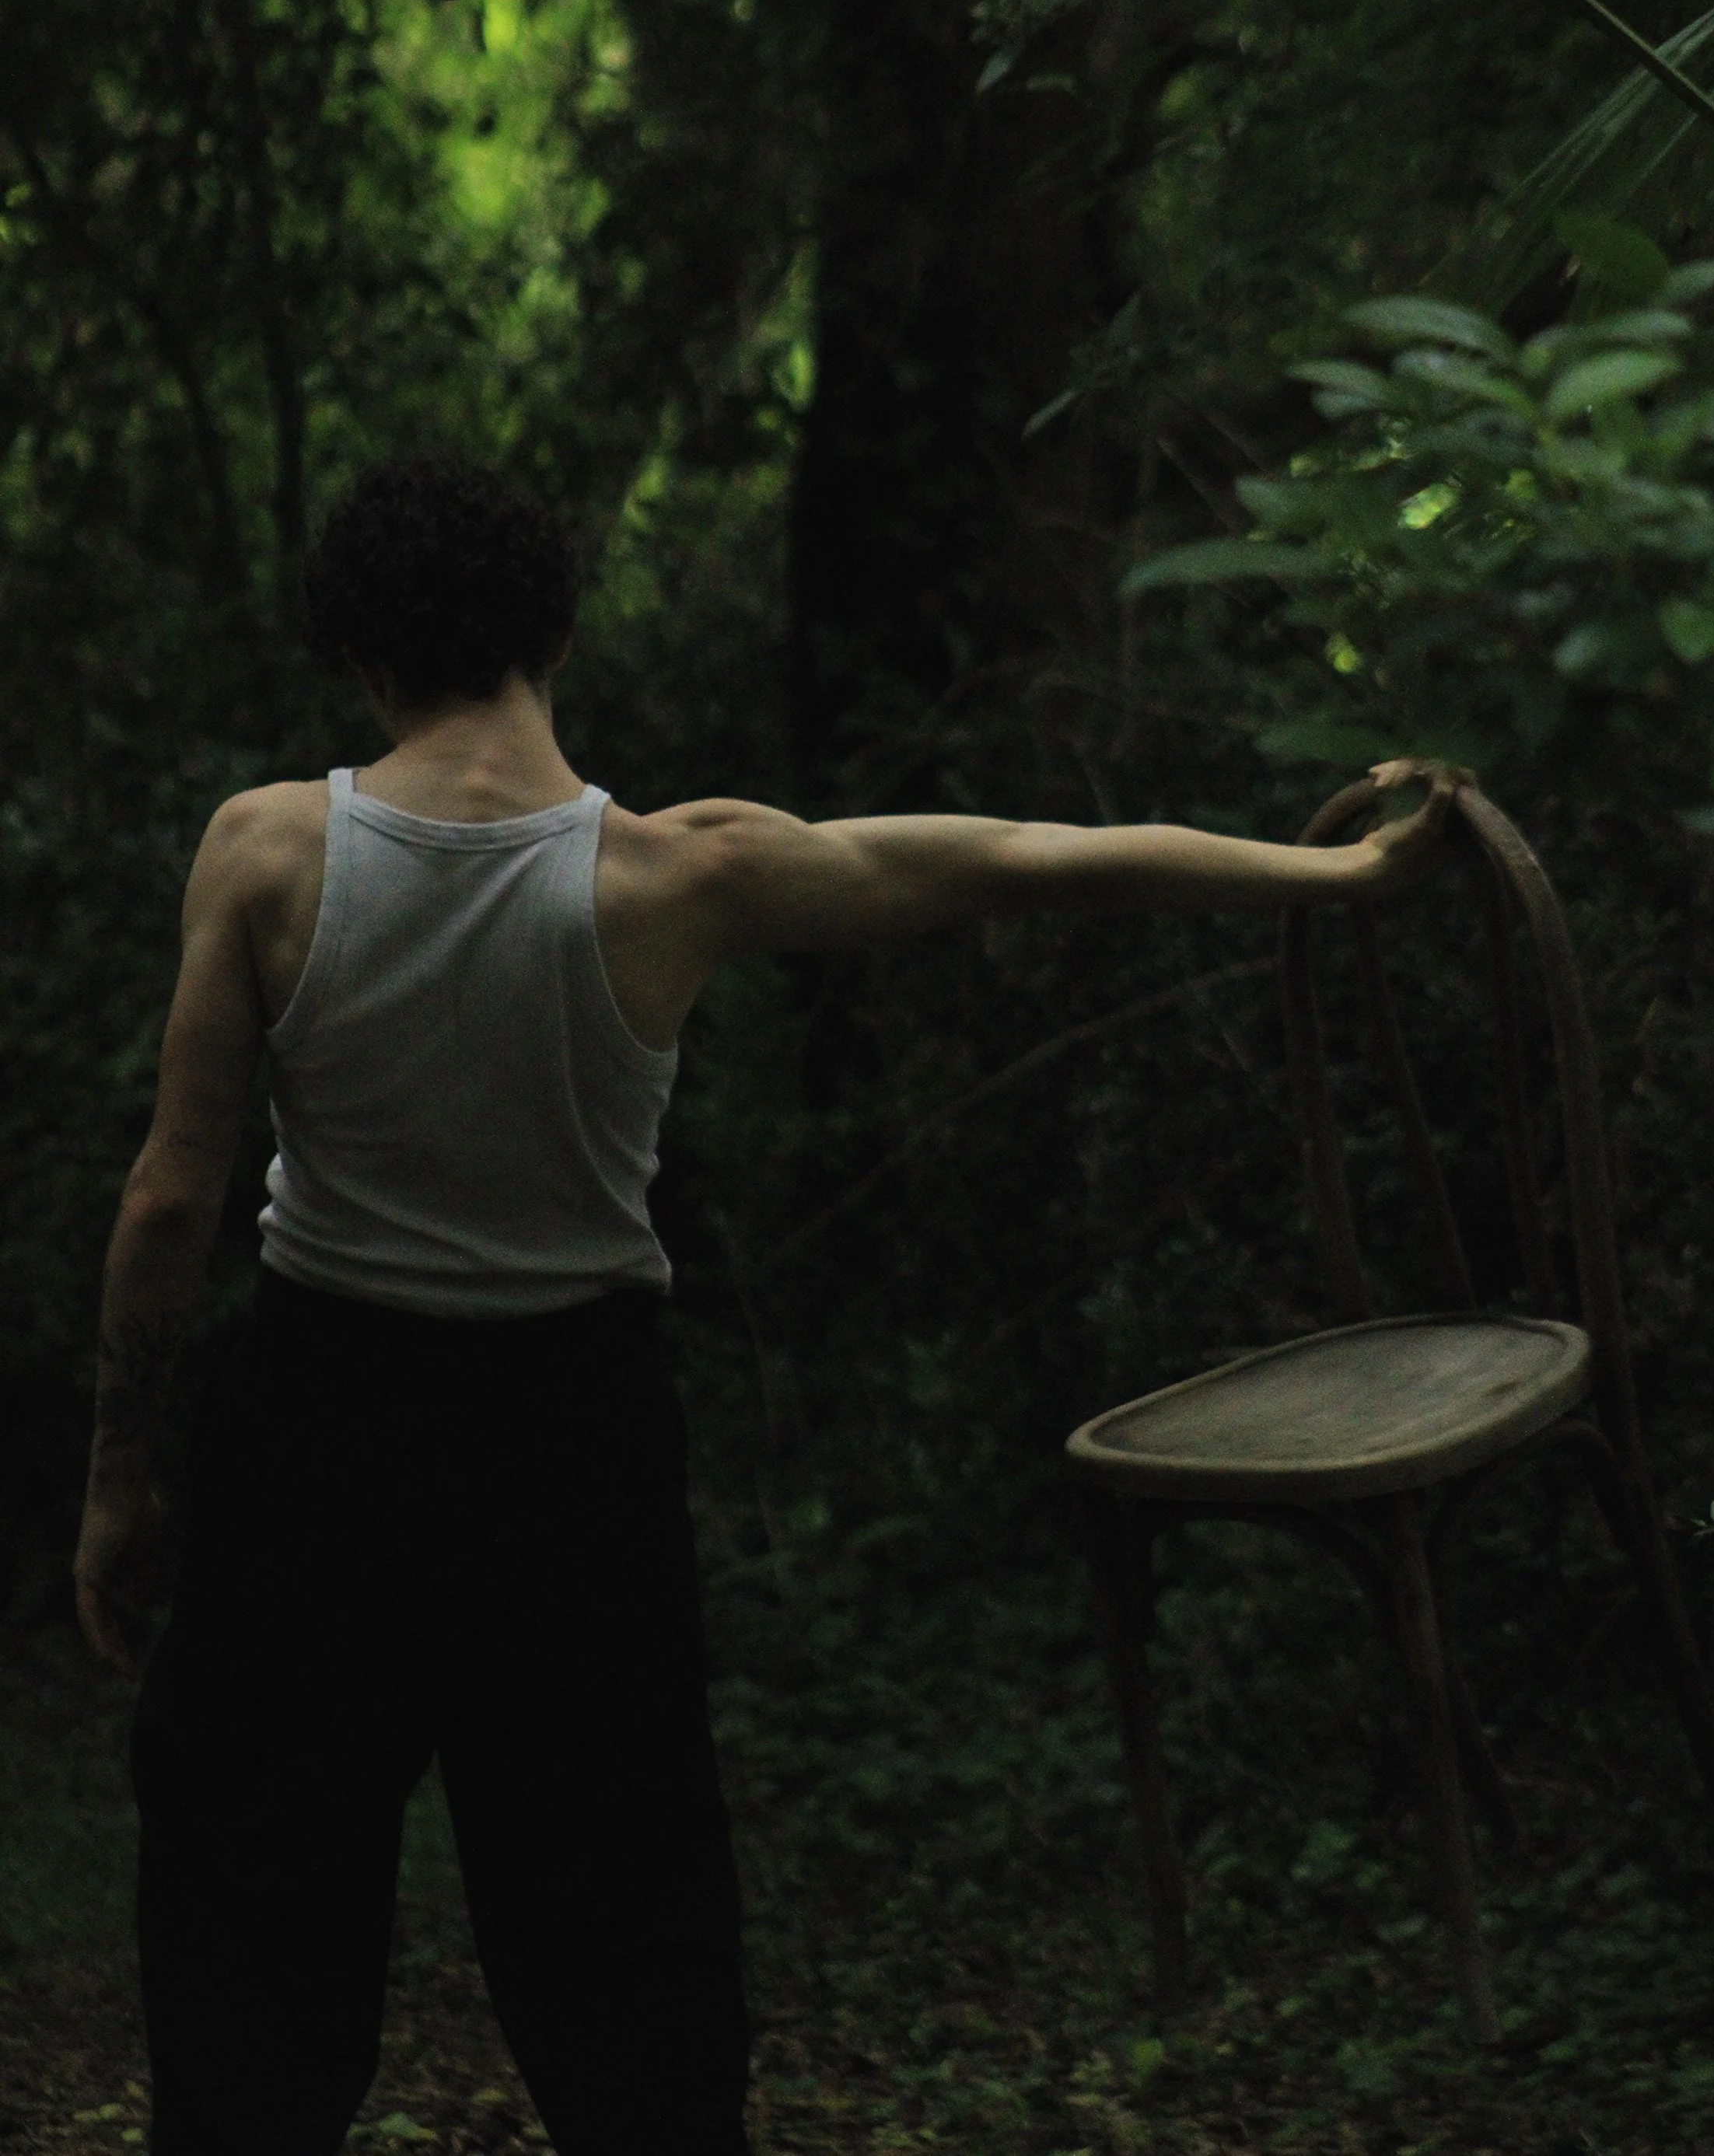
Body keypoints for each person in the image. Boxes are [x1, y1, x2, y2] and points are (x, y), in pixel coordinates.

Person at [72, 453, 1454, 2156]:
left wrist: (123, 1473)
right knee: (619, 1909)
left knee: (251, 1897)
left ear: (359, 655)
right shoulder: (680, 875)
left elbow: (168, 1198)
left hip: (316, 1424)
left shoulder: (269, 850)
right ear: (555, 635)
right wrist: (1329, 877)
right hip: (568, 1443)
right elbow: (1025, 855)